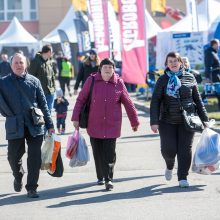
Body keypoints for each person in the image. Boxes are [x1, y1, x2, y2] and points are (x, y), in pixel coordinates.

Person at [72, 58, 139, 191]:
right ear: (100, 69)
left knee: (109, 153)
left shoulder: (119, 83)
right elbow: (80, 100)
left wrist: (134, 121)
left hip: (112, 125)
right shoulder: (91, 81)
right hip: (94, 123)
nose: (107, 70)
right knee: (97, 152)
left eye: (110, 68)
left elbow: (128, 102)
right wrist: (75, 118)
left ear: (114, 69)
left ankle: (109, 179)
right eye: (105, 68)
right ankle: (100, 176)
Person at [150, 52, 209, 188]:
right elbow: (155, 102)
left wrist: (205, 119)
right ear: (167, 64)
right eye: (170, 61)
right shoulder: (162, 80)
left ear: (181, 62)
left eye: (175, 61)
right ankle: (170, 165)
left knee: (184, 150)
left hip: (187, 120)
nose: (173, 63)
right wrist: (154, 121)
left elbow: (198, 100)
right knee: (168, 150)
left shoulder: (190, 77)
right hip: (167, 120)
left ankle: (183, 177)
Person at [0, 53, 55, 198]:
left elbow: (43, 104)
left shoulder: (34, 81)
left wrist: (50, 125)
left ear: (26, 64)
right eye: (16, 62)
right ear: (11, 65)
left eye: (21, 62)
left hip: (35, 124)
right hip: (14, 125)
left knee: (34, 158)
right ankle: (18, 176)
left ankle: (32, 187)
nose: (19, 65)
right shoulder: (3, 82)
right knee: (12, 156)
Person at [28, 44, 56, 113]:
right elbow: (30, 77)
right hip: (40, 93)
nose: (52, 53)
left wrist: (54, 88)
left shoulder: (50, 62)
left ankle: (47, 124)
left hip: (51, 93)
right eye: (51, 51)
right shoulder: (35, 61)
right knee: (40, 114)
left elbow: (53, 76)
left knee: (48, 113)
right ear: (48, 52)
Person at [204, 39, 220, 109]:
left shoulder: (214, 52)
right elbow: (208, 66)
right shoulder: (209, 52)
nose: (219, 46)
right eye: (218, 44)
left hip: (216, 75)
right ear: (214, 44)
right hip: (213, 76)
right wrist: (208, 77)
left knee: (217, 93)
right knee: (207, 93)